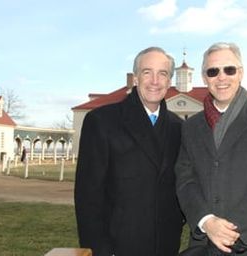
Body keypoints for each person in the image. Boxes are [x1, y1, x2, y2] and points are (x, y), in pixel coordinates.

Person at [175, 42, 247, 255]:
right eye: (213, 71)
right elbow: (185, 179)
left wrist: (228, 232)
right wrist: (207, 221)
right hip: (203, 244)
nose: (221, 77)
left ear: (241, 73)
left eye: (229, 69)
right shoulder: (191, 127)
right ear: (204, 78)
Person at [74, 46, 184, 256]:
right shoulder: (102, 121)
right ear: (135, 78)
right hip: (119, 246)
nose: (155, 80)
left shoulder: (177, 127)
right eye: (147, 72)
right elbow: (87, 196)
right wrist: (99, 250)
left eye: (162, 74)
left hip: (166, 245)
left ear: (169, 82)